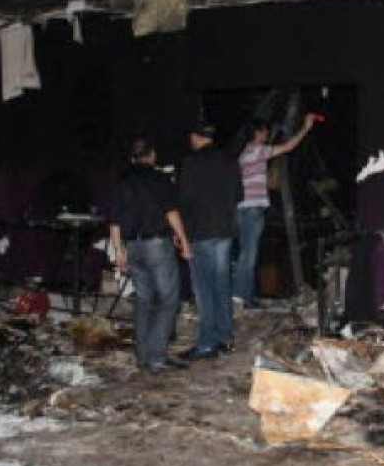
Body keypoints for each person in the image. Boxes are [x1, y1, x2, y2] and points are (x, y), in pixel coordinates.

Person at [109, 136, 192, 373]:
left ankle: (143, 356)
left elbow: (114, 221)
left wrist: (119, 252)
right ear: (152, 155)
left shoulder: (122, 182)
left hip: (133, 246)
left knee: (144, 300)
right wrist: (184, 241)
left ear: (132, 158)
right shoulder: (159, 178)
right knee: (168, 299)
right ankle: (157, 356)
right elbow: (171, 212)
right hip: (156, 244)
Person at [234, 114, 315, 307]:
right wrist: (306, 127)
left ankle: (246, 296)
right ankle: (237, 295)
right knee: (249, 255)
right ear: (257, 133)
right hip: (252, 210)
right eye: (264, 131)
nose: (267, 133)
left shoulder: (246, 153)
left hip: (244, 209)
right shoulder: (256, 151)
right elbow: (288, 147)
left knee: (248, 253)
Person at [178, 123, 242, 360]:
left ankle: (207, 344)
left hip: (200, 231)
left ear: (195, 137)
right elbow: (239, 194)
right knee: (221, 285)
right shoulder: (229, 160)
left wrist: (181, 232)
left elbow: (183, 199)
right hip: (224, 230)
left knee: (204, 290)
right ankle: (226, 338)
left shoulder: (190, 162)